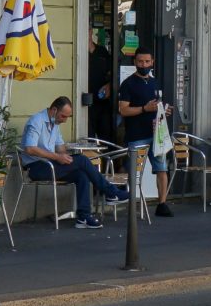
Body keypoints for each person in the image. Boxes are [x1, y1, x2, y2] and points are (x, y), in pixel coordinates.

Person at [20, 96, 126, 229]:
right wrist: (58, 157)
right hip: (36, 168)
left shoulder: (55, 124)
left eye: (67, 117)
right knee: (82, 160)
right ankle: (111, 192)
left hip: (50, 165)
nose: (64, 120)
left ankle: (83, 217)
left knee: (81, 173)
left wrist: (67, 158)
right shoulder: (36, 121)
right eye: (63, 116)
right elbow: (29, 148)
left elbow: (60, 149)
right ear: (54, 110)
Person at [116, 50, 174, 217]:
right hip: (136, 135)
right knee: (134, 172)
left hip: (156, 134)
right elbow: (123, 110)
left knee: (162, 169)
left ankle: (162, 204)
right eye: (140, 61)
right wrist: (144, 109)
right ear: (135, 62)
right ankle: (131, 203)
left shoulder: (155, 82)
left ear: (152, 62)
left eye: (147, 61)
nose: (144, 65)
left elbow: (157, 105)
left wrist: (164, 110)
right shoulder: (128, 84)